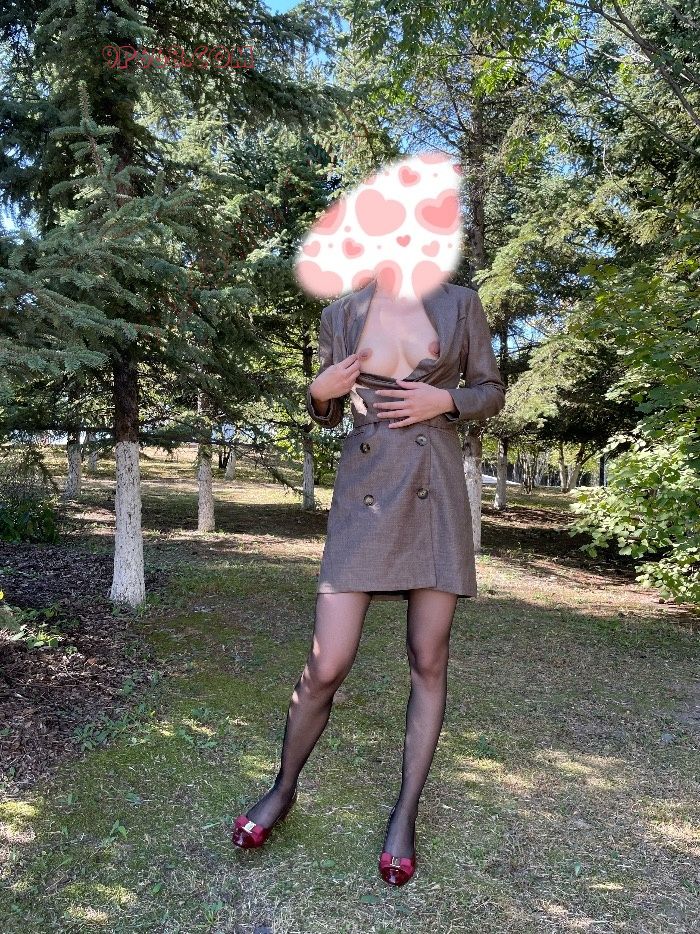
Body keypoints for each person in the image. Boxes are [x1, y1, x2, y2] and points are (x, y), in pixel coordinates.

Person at [231, 275, 506, 886]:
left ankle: (405, 812)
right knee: (326, 664)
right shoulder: (341, 314)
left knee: (427, 658)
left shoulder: (460, 303)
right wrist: (318, 393)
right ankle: (283, 788)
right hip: (365, 494)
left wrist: (446, 401)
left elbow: (491, 390)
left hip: (435, 492)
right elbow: (330, 411)